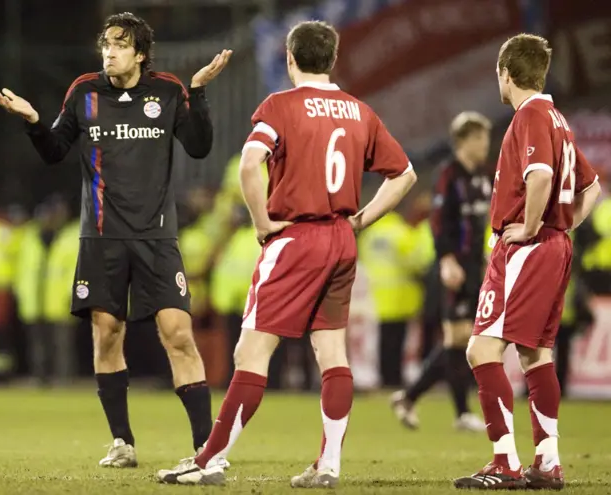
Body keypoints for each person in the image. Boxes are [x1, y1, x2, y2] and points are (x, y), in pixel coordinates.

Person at [158, 20, 417, 487]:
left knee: (252, 351)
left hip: (296, 238)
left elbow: (250, 163)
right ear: (333, 60)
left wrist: (261, 222)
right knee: (332, 351)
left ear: (290, 58)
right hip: (341, 239)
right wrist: (361, 219)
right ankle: (329, 464)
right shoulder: (359, 111)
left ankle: (207, 461)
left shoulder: (280, 106)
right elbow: (405, 175)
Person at [0, 12, 232, 468]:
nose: (110, 52)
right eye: (106, 45)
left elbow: (199, 146)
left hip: (157, 236)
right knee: (106, 334)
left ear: (140, 53)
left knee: (178, 334)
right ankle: (122, 442)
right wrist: (34, 121)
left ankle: (206, 448)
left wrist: (198, 93)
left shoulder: (167, 90)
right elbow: (54, 151)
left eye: (120, 45)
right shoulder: (85, 91)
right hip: (101, 237)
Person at [453, 34, 600, 490]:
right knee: (536, 354)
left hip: (529, 248)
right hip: (556, 247)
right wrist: (565, 224)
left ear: (506, 72)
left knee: (481, 349)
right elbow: (591, 188)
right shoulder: (558, 120)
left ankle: (504, 462)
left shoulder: (531, 115)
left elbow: (540, 176)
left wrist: (533, 226)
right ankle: (547, 461)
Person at [392, 112, 492, 432]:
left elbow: (480, 225)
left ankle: (410, 398)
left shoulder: (482, 177)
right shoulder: (448, 174)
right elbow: (438, 222)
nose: (485, 144)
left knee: (460, 341)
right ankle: (458, 412)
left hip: (474, 267)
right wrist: (447, 259)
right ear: (463, 140)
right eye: (479, 138)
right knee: (458, 339)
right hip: (454, 267)